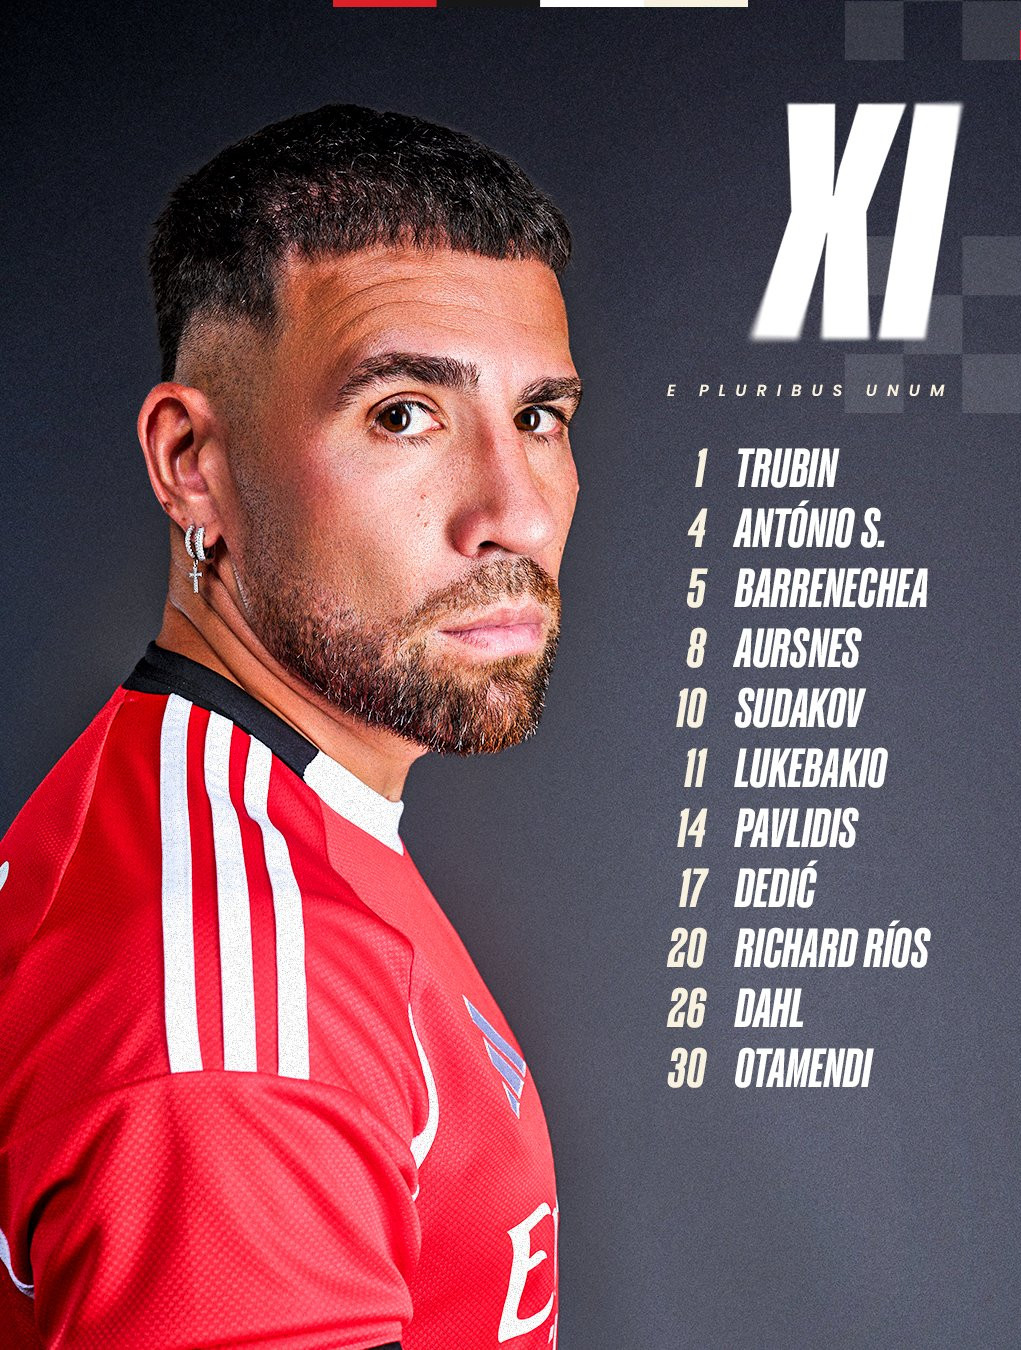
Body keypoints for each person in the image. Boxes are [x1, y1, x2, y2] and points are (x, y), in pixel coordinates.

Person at [0, 104, 580, 1349]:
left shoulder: (234, 808)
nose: (516, 513)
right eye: (403, 414)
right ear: (191, 462)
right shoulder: (245, 1024)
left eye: (539, 417)